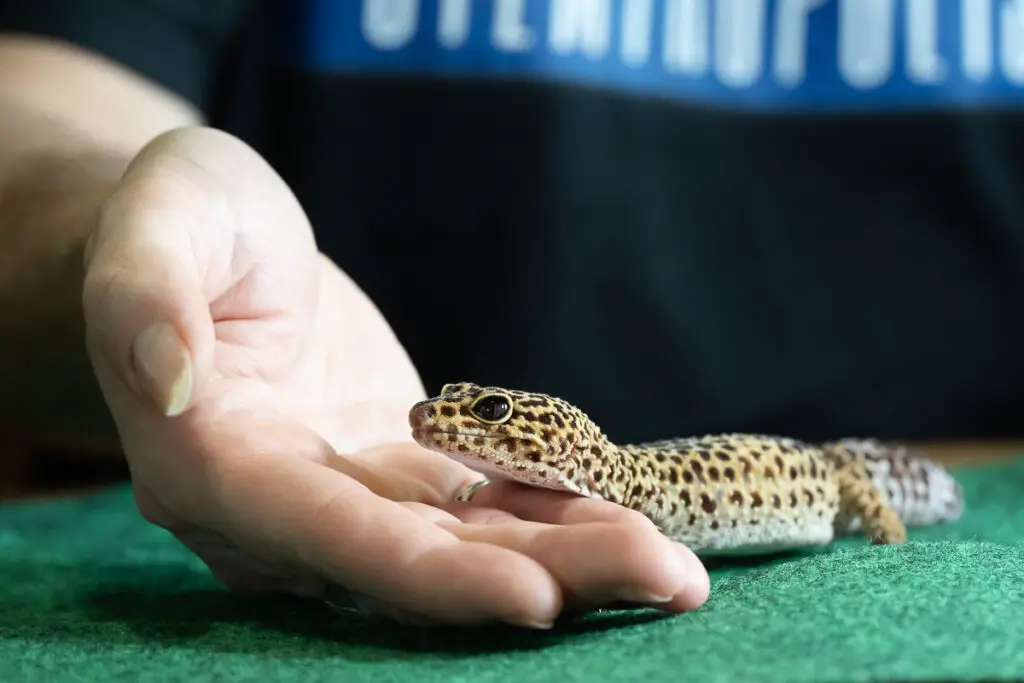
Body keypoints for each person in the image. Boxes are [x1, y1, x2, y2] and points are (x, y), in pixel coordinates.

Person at [0, 2, 1020, 626]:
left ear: (549, 435)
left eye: (484, 416)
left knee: (861, 482)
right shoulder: (598, 483)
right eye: (468, 414)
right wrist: (115, 226)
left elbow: (850, 488)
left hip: (869, 460)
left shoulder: (620, 479)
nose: (455, 424)